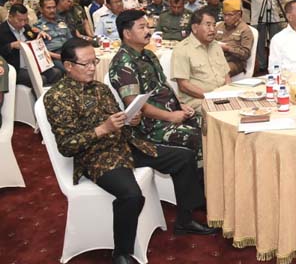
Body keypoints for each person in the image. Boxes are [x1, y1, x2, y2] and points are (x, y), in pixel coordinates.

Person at [45, 38, 215, 264]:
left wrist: (130, 120)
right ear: (68, 66)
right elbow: (67, 145)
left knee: (184, 157)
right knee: (131, 195)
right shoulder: (57, 97)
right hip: (96, 157)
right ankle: (122, 253)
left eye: (94, 62)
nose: (92, 68)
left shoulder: (101, 88)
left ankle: (185, 219)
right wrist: (103, 129)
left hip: (126, 145)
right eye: (86, 64)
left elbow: (119, 120)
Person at [110, 10, 203, 165]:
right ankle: (200, 178)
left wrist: (180, 104)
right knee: (198, 137)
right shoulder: (124, 63)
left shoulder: (148, 55)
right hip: (151, 126)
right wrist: (170, 117)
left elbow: (163, 85)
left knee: (209, 126)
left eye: (148, 26)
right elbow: (135, 105)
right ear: (127, 33)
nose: (148, 31)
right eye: (142, 27)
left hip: (171, 113)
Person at [171, 7, 229, 112]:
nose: (212, 30)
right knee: (224, 113)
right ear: (195, 28)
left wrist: (229, 93)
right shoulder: (182, 49)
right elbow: (183, 85)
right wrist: (211, 96)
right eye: (208, 25)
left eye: (214, 25)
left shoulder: (215, 45)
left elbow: (226, 75)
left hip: (222, 97)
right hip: (199, 100)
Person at [0, 4, 63, 88]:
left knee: (56, 73)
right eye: (20, 20)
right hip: (16, 67)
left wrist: (39, 35)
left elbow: (33, 40)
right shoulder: (2, 31)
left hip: (33, 63)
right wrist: (11, 46)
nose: (23, 23)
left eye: (25, 20)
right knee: (41, 79)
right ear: (10, 17)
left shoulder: (26, 27)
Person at [244, 0, 285, 72]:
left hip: (273, 16)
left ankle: (275, 63)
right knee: (260, 43)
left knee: (276, 41)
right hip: (259, 16)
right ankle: (262, 65)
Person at [215, 0, 254, 77]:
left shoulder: (245, 30)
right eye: (224, 14)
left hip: (235, 62)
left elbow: (245, 54)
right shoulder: (219, 26)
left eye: (230, 15)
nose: (226, 18)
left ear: (238, 15)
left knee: (221, 71)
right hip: (217, 59)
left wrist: (228, 49)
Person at [35, 0, 72, 71]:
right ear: (41, 9)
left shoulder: (61, 21)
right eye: (48, 8)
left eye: (54, 7)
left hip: (68, 51)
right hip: (53, 56)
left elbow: (71, 39)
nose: (52, 10)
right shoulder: (38, 27)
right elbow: (40, 50)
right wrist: (59, 56)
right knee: (72, 69)